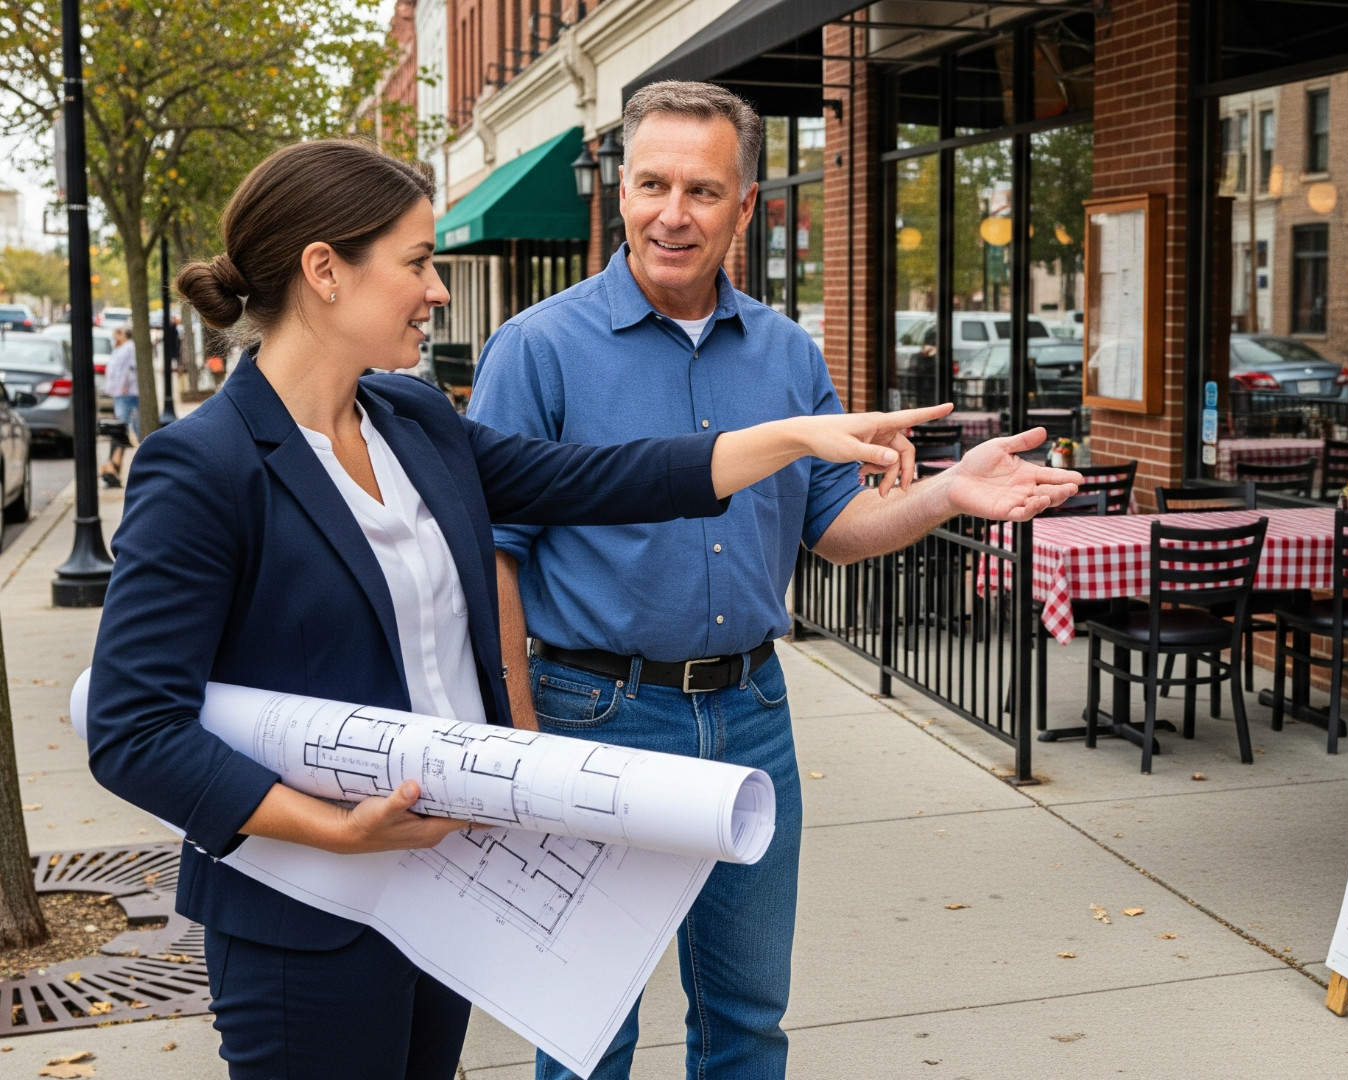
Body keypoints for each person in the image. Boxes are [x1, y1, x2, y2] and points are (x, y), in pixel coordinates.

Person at [84, 138, 1013, 1080]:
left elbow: (600, 478)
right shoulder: (204, 464)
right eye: (416, 263)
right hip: (306, 908)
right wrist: (334, 827)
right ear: (324, 271)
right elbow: (133, 730)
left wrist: (792, 437)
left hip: (437, 886)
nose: (437, 290)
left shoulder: (413, 421)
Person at [467, 81, 1081, 1080]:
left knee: (749, 1019)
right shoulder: (539, 349)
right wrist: (519, 732)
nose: (674, 214)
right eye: (652, 184)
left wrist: (950, 496)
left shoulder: (789, 353)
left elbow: (835, 528)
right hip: (594, 714)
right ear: (619, 193)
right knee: (588, 1024)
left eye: (703, 191)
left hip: (751, 710)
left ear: (746, 206)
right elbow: (493, 548)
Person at [101, 325, 139, 486]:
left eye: (118, 333)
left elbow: (127, 370)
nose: (115, 336)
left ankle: (113, 466)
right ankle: (113, 467)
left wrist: (122, 386)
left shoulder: (129, 348)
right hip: (121, 392)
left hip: (126, 392)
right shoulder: (121, 348)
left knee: (121, 428)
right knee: (121, 429)